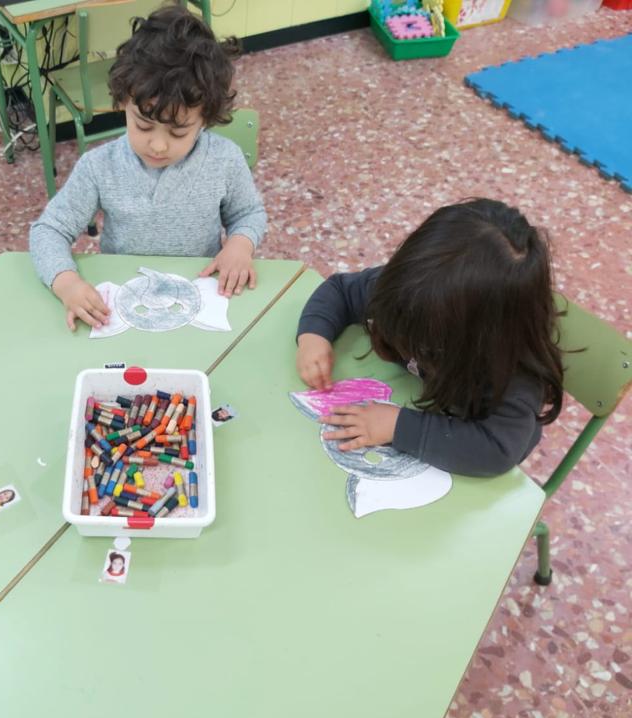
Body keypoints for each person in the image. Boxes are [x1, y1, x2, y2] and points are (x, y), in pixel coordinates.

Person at [30, 2, 267, 330]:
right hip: (124, 305)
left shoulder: (224, 159)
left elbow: (249, 214)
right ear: (123, 103)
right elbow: (49, 230)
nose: (157, 145)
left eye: (178, 132)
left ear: (205, 119)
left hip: (198, 298)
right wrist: (66, 282)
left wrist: (241, 244)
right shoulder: (99, 166)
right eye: (143, 125)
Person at [295, 198, 564, 477]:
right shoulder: (412, 292)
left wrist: (398, 427)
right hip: (420, 399)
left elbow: (496, 450)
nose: (408, 340)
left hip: (464, 449)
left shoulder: (512, 375)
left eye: (426, 340)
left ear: (481, 337)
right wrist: (314, 336)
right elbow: (340, 290)